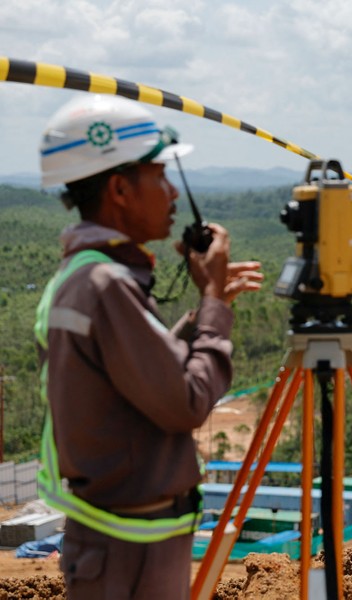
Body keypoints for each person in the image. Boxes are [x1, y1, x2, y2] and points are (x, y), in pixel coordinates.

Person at [34, 94, 262, 599]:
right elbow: (186, 401)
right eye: (159, 177)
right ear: (119, 187)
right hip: (128, 551)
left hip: (126, 543)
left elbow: (135, 369)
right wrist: (212, 308)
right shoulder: (104, 284)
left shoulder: (88, 277)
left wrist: (208, 307)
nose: (172, 195)